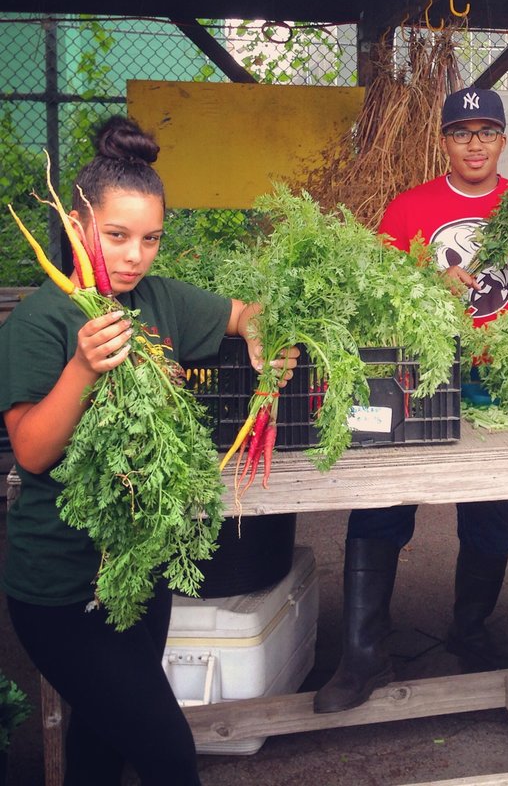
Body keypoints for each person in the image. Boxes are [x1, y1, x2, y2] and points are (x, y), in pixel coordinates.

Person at [0, 116, 297, 786]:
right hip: (61, 589)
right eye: (118, 236)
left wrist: (258, 331)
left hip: (138, 575)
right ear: (78, 228)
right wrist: (81, 369)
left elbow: (241, 310)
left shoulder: (157, 298)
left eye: (151, 239)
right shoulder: (41, 320)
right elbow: (31, 453)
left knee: (101, 744)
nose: (136, 255)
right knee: (167, 753)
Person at [313, 85, 508, 713]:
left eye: (486, 131)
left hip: (499, 383)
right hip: (417, 374)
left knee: (489, 517)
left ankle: (469, 630)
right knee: (380, 504)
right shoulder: (408, 208)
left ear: (503, 140)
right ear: (444, 141)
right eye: (461, 132)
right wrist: (425, 283)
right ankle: (363, 652)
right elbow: (371, 300)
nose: (474, 143)